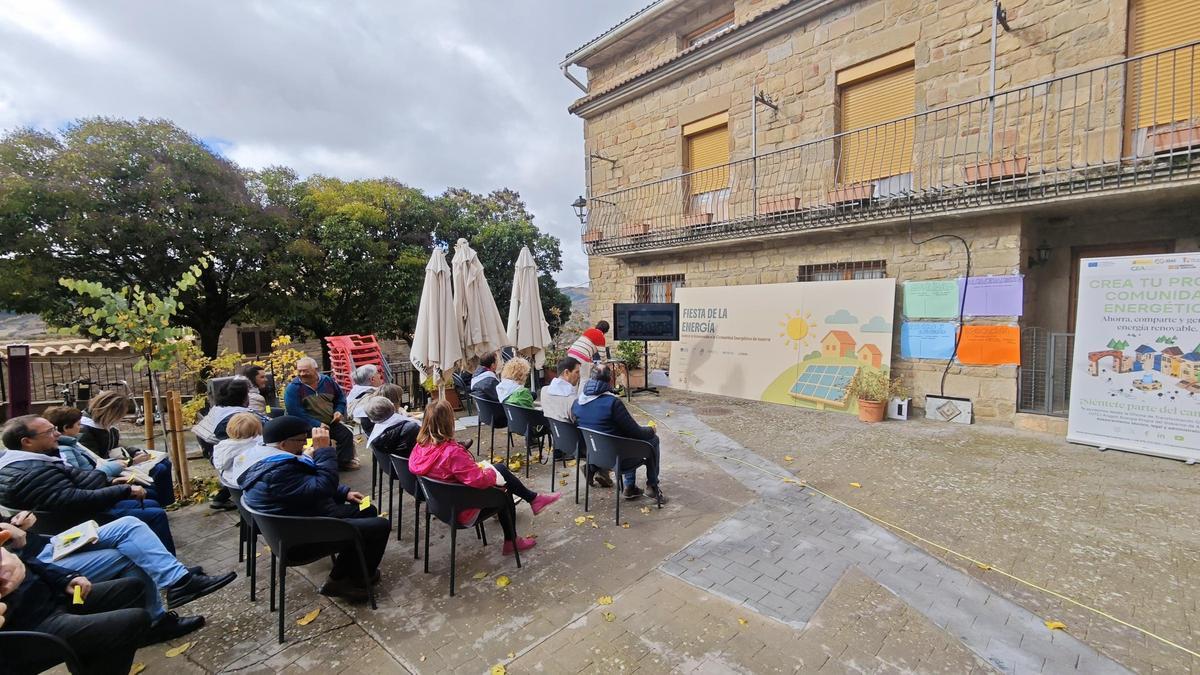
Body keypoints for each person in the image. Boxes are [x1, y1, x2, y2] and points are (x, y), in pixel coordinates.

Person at [2, 511, 234, 645]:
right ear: (28, 441)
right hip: (39, 564)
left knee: (129, 525)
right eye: (49, 432)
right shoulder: (31, 464)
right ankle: (164, 608)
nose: (53, 435)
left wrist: (15, 521)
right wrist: (114, 480)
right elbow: (68, 494)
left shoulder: (54, 452)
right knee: (128, 551)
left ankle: (176, 583)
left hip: (43, 547)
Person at [238, 416, 390, 600]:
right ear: (284, 444)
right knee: (380, 525)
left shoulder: (267, 458)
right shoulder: (277, 471)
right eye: (302, 440)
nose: (305, 444)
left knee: (367, 509)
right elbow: (321, 486)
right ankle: (343, 581)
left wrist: (343, 493)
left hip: (299, 519)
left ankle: (353, 568)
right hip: (301, 536)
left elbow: (303, 485)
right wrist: (324, 451)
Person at [0, 415, 178, 554]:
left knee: (150, 502)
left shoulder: (23, 462)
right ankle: (174, 578)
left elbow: (72, 484)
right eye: (49, 432)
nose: (57, 434)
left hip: (72, 515)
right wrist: (123, 489)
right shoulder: (34, 471)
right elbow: (74, 499)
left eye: (54, 429)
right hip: (75, 524)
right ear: (27, 442)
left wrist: (110, 481)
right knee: (155, 514)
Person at [409, 400, 560, 555]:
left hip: (439, 505)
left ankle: (534, 499)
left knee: (500, 469)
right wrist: (491, 473)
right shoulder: (451, 453)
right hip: (462, 510)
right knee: (504, 491)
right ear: (449, 422)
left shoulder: (420, 446)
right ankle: (512, 540)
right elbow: (479, 481)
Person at [0, 546, 149, 675]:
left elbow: (27, 559)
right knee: (133, 621)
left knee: (132, 588)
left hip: (52, 597)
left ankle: (90, 665)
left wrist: (65, 578)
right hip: (31, 627)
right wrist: (8, 586)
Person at [572, 364, 668, 503]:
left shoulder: (577, 403)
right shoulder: (612, 403)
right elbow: (636, 432)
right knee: (653, 440)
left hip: (595, 456)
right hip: (619, 459)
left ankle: (629, 487)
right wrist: (650, 430)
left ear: (590, 379)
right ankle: (652, 486)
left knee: (624, 438)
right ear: (610, 380)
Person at [78, 391, 175, 507]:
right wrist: (131, 461)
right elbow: (97, 461)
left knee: (164, 463)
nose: (121, 419)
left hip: (117, 463)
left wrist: (134, 452)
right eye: (120, 415)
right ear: (111, 412)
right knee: (159, 469)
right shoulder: (85, 430)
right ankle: (159, 506)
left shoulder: (106, 424)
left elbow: (115, 445)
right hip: (108, 471)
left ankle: (165, 505)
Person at [195, 378, 269, 511]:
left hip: (219, 453)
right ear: (243, 397)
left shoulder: (220, 409)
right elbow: (268, 429)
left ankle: (220, 499)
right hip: (228, 456)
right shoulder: (237, 418)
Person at [539, 357, 613, 488]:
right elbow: (584, 421)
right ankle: (597, 469)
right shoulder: (572, 400)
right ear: (566, 372)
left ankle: (595, 470)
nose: (579, 377)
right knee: (603, 429)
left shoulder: (544, 392)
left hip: (560, 440)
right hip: (580, 444)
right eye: (577, 372)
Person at [284, 357, 359, 470]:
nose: (302, 374)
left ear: (315, 369)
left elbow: (340, 398)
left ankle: (343, 462)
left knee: (346, 435)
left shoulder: (327, 381)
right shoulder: (293, 388)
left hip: (329, 421)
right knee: (322, 442)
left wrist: (338, 411)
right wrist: (316, 424)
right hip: (306, 425)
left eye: (306, 370)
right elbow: (296, 412)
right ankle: (321, 467)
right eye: (299, 370)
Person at [43, 406, 127, 481]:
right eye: (78, 424)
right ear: (66, 428)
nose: (81, 427)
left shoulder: (72, 443)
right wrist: (113, 467)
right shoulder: (65, 450)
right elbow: (80, 478)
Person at [212, 412, 272, 490]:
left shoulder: (223, 446)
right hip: (254, 480)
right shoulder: (261, 443)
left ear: (229, 429)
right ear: (258, 428)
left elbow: (220, 465)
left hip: (231, 481)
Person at [567, 320, 610, 387]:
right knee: (584, 379)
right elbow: (603, 356)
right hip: (582, 356)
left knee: (573, 377)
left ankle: (572, 396)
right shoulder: (600, 336)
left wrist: (590, 361)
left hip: (571, 353)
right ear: (606, 331)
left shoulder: (589, 331)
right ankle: (581, 397)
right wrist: (605, 364)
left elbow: (586, 346)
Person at [346, 364, 385, 434]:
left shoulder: (355, 394)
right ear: (372, 379)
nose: (380, 376)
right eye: (377, 373)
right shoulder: (373, 398)